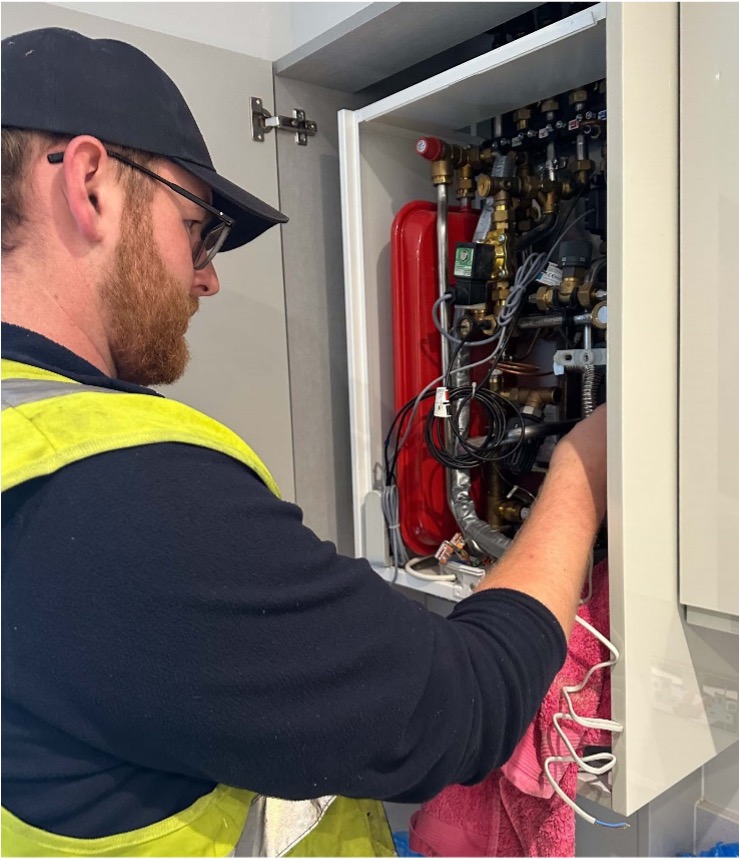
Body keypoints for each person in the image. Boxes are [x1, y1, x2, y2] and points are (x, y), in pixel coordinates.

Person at [1, 26, 608, 857]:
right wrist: (580, 470)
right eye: (198, 227)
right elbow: (457, 711)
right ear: (91, 183)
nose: (207, 275)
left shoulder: (29, 439)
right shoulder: (106, 489)